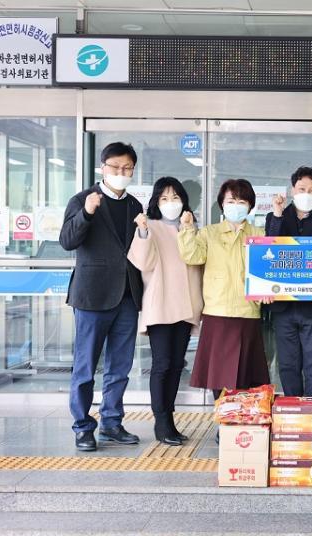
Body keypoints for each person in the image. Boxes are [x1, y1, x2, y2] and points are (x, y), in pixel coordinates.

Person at [59, 142, 144, 452]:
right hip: (92, 295)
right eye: (115, 167)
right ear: (103, 168)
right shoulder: (82, 199)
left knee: (119, 366)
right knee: (85, 366)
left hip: (127, 296)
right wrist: (86, 213)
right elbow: (67, 240)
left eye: (127, 168)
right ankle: (83, 426)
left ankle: (111, 422)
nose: (121, 172)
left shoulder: (135, 205)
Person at [177, 178, 270, 442]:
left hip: (247, 311)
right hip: (217, 310)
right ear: (222, 204)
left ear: (250, 205)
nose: (236, 205)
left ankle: (242, 419)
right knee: (219, 374)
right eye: (231, 200)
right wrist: (187, 228)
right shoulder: (208, 233)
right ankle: (224, 420)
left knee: (245, 373)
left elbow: (270, 270)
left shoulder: (260, 234)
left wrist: (269, 291)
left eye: (241, 201)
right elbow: (192, 256)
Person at [128, 177, 203, 446]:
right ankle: (161, 421)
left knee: (176, 364)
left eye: (175, 198)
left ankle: (170, 419)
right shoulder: (151, 227)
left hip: (186, 305)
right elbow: (143, 262)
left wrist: (189, 228)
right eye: (164, 198)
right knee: (161, 364)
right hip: (160, 304)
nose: (171, 203)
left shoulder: (191, 227)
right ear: (156, 202)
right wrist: (143, 231)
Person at [264, 166, 312, 397]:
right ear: (292, 190)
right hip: (283, 307)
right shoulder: (276, 217)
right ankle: (293, 410)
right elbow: (269, 250)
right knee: (288, 365)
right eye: (302, 188)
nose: (307, 193)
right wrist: (278, 214)